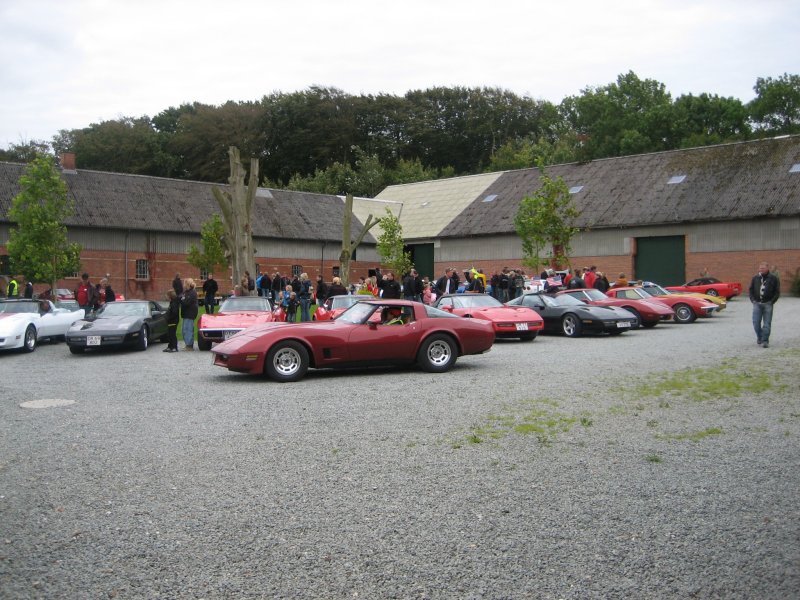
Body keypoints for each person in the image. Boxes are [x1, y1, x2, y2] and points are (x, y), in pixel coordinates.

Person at [748, 261, 780, 348]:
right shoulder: (755, 278)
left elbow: (777, 292)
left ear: (767, 268)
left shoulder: (773, 278)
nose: (761, 270)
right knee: (756, 322)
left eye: (763, 268)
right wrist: (753, 300)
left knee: (767, 324)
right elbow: (750, 290)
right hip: (757, 304)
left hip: (768, 304)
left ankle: (765, 340)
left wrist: (772, 301)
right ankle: (760, 337)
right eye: (760, 268)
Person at [180, 278, 199, 351]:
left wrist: (182, 299)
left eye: (184, 283)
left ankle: (189, 346)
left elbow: (186, 302)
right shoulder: (186, 292)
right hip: (185, 313)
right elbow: (181, 298)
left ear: (187, 284)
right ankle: (187, 344)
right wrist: (181, 299)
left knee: (188, 329)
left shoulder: (192, 292)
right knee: (184, 329)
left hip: (190, 314)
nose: (183, 285)